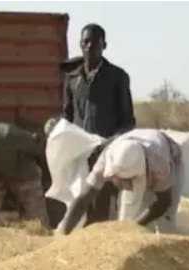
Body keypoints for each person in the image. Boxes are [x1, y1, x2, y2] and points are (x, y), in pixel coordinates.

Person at [62, 23, 136, 226]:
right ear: (80, 44)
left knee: (101, 208)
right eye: (85, 42)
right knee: (77, 202)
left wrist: (111, 142)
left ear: (104, 45)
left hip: (106, 154)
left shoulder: (117, 77)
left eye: (94, 43)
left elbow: (128, 121)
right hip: (79, 155)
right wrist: (55, 127)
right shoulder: (72, 79)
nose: (89, 47)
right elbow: (67, 116)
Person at [57, 129, 182, 236]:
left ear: (136, 177)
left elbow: (163, 203)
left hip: (170, 157)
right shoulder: (107, 159)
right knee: (126, 219)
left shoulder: (160, 166)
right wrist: (64, 231)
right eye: (119, 180)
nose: (123, 186)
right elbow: (85, 196)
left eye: (126, 181)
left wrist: (136, 226)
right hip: (141, 150)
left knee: (166, 225)